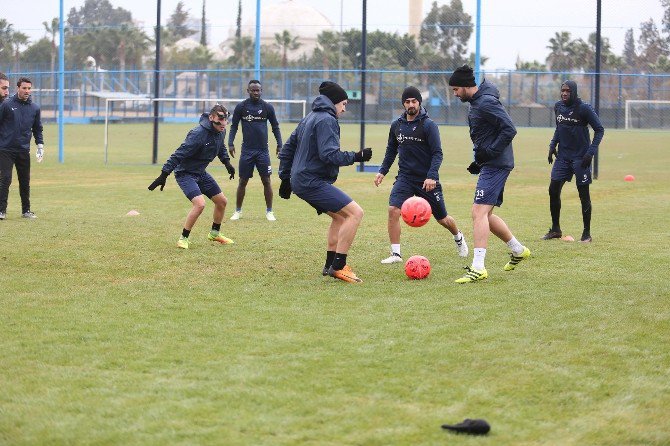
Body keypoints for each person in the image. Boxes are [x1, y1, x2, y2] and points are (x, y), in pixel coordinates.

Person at [278, 81, 372, 284]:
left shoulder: (308, 118)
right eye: (344, 104)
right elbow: (329, 155)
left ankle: (330, 263)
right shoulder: (327, 120)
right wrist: (357, 156)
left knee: (340, 217)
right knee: (355, 213)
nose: (344, 109)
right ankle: (339, 267)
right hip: (311, 181)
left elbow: (286, 150)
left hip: (302, 180)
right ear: (335, 102)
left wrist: (285, 178)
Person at [448, 65, 530, 283]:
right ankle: (518, 250)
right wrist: (480, 160)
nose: (454, 94)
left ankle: (478, 267)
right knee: (485, 214)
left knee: (478, 212)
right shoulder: (477, 102)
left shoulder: (486, 102)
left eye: (456, 89)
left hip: (497, 164)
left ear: (466, 86)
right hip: (490, 164)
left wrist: (491, 153)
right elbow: (485, 135)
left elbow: (509, 128)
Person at [374, 86, 468, 264]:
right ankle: (396, 254)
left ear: (419, 102)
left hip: (427, 180)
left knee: (443, 219)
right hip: (405, 178)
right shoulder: (397, 125)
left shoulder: (429, 125)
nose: (411, 104)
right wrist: (382, 171)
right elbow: (391, 151)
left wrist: (431, 176)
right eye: (407, 101)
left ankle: (459, 238)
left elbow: (437, 153)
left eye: (414, 101)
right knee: (393, 210)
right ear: (403, 103)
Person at [148, 104, 237, 249]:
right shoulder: (198, 134)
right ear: (211, 117)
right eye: (220, 119)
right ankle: (183, 238)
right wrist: (163, 175)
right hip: (185, 174)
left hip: (201, 173)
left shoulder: (221, 131)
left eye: (226, 119)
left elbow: (221, 147)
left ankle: (214, 234)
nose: (223, 123)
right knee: (200, 204)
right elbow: (178, 154)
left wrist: (227, 163)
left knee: (222, 201)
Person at [543, 80, 604, 243]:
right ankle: (555, 229)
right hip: (563, 157)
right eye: (562, 90)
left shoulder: (584, 108)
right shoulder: (558, 107)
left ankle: (586, 234)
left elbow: (599, 130)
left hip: (580, 158)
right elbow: (559, 127)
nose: (564, 93)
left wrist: (590, 153)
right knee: (553, 190)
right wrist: (552, 145)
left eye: (568, 91)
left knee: (583, 194)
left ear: (574, 92)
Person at [227, 80, 283, 221]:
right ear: (248, 91)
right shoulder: (241, 107)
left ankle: (269, 211)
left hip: (263, 151)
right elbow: (234, 126)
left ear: (261, 90)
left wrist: (279, 144)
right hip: (247, 151)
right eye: (253, 90)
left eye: (258, 90)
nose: (256, 93)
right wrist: (230, 143)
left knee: (267, 181)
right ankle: (238, 211)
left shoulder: (267, 107)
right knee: (242, 181)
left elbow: (275, 126)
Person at [0, 76, 44, 221]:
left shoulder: (35, 108)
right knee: (5, 179)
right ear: (18, 88)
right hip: (6, 149)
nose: (27, 91)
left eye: (29, 88)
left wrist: (40, 145)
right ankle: (1, 211)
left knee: (25, 180)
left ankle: (26, 210)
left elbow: (37, 129)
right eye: (24, 88)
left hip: (23, 150)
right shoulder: (6, 105)